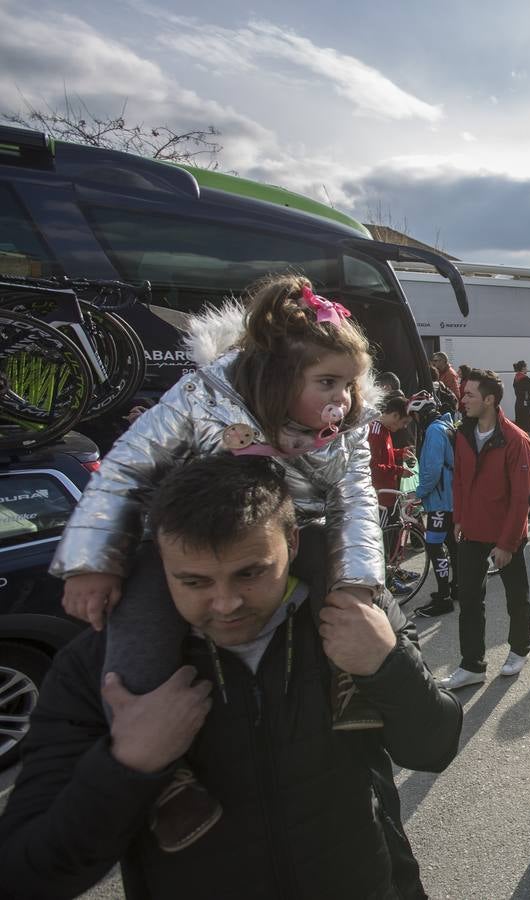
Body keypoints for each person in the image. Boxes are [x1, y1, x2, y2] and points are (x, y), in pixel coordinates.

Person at [0, 454, 462, 896]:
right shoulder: (100, 669)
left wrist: (387, 665)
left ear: (293, 542)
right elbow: (28, 875)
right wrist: (128, 764)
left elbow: (434, 747)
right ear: (159, 559)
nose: (225, 604)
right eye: (194, 581)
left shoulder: (356, 613)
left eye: (250, 573)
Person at [50, 274, 388, 851]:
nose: (345, 399)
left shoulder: (345, 427)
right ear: (278, 376)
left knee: (365, 596)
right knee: (141, 612)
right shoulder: (202, 394)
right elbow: (128, 465)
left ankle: (353, 685)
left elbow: (355, 501)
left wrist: (359, 585)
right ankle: (162, 769)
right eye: (328, 382)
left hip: (293, 536)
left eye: (351, 384)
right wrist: (92, 560)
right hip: (196, 538)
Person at [437, 367, 530, 689]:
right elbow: (461, 481)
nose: (462, 399)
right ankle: (472, 665)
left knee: (516, 597)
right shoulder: (462, 434)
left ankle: (519, 648)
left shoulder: (516, 440)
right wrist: (460, 519)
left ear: (490, 399)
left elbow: (522, 498)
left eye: (469, 394)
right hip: (471, 532)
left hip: (507, 535)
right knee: (468, 600)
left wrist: (507, 544)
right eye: (463, 393)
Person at [414, 392, 459, 616]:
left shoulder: (433, 431)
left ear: (422, 414)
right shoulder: (447, 426)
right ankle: (456, 587)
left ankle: (443, 597)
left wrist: (419, 493)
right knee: (451, 543)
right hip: (451, 498)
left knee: (434, 546)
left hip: (439, 500)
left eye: (414, 415)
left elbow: (432, 470)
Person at [368, 395, 414, 510]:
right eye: (404, 422)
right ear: (395, 415)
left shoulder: (384, 430)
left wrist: (399, 453)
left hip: (387, 495)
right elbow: (373, 467)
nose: (404, 427)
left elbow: (383, 453)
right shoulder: (376, 432)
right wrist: (399, 470)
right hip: (379, 498)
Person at [512, 359, 530, 434]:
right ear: (523, 368)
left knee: (520, 427)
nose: (527, 369)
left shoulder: (516, 378)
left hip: (519, 405)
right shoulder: (525, 379)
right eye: (526, 367)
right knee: (529, 428)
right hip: (527, 407)